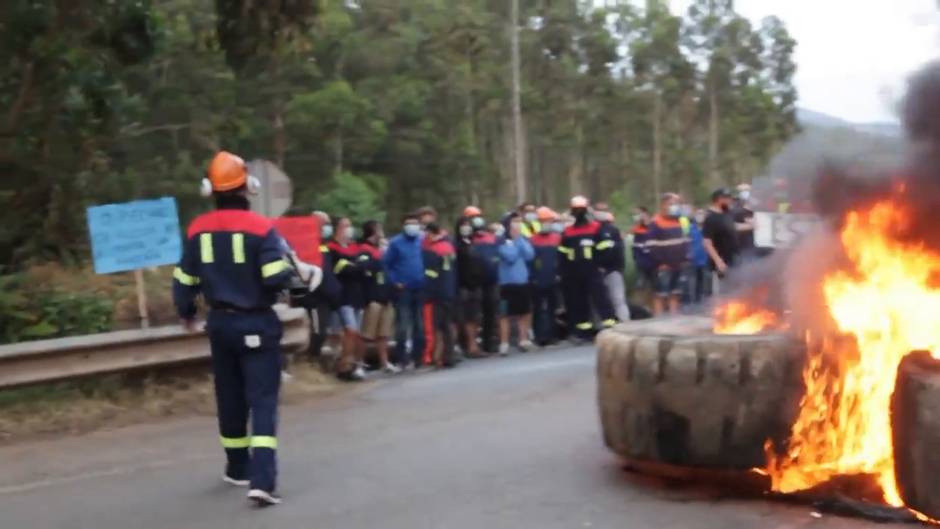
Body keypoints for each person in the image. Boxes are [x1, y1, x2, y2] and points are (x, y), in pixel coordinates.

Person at [173, 151, 293, 506]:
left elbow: (184, 279)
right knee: (263, 401)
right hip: (256, 320)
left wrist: (187, 313)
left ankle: (237, 467)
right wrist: (282, 283)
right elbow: (276, 278)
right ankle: (263, 480)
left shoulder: (197, 229)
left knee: (229, 397)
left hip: (220, 324)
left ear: (211, 189)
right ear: (248, 187)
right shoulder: (261, 228)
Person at [558, 196, 617, 342]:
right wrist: (564, 271)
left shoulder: (596, 228)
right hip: (574, 272)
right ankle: (584, 331)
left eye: (581, 210)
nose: (579, 212)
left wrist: (601, 265)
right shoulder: (567, 232)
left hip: (593, 270)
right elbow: (562, 253)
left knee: (601, 298)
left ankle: (610, 325)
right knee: (579, 301)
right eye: (576, 210)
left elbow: (606, 248)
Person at [358, 220, 401, 374]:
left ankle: (384, 362)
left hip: (387, 296)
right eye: (379, 229)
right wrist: (379, 260)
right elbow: (363, 267)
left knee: (384, 334)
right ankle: (359, 364)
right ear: (372, 231)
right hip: (373, 297)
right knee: (367, 334)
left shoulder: (384, 249)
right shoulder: (364, 249)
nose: (381, 232)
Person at [383, 214, 426, 368]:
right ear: (403, 226)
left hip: (420, 287)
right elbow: (386, 264)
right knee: (402, 325)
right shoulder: (395, 243)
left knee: (419, 325)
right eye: (409, 224)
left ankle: (418, 357)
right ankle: (401, 358)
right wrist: (395, 282)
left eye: (415, 223)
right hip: (403, 289)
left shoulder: (422, 240)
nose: (412, 226)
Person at [327, 217, 366, 381]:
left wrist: (353, 266)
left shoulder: (355, 247)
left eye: (350, 225)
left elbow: (364, 267)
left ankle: (356, 364)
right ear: (338, 229)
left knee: (357, 333)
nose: (349, 229)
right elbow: (339, 269)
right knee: (350, 331)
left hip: (357, 296)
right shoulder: (331, 248)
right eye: (345, 226)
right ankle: (344, 365)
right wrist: (353, 266)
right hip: (342, 297)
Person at [421, 223, 459, 367]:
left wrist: (427, 294)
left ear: (431, 233)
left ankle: (438, 356)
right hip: (449, 290)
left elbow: (430, 274)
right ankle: (449, 356)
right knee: (448, 325)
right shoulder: (448, 247)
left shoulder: (432, 250)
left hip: (437, 293)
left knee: (437, 327)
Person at [497, 215, 535, 354]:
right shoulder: (501, 241)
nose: (517, 225)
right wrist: (517, 242)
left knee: (524, 312)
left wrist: (519, 239)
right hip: (506, 283)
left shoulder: (522, 239)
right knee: (505, 315)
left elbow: (530, 254)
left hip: (522, 281)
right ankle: (504, 343)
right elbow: (510, 257)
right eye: (514, 222)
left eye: (519, 222)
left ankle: (523, 339)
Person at [647, 193, 690, 316]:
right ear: (663, 205)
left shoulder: (679, 221)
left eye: (676, 204)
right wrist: (660, 263)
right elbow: (651, 246)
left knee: (675, 293)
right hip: (663, 266)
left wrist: (685, 258)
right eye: (671, 204)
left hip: (679, 265)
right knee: (660, 295)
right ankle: (658, 320)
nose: (674, 207)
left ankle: (673, 319)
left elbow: (684, 241)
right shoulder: (656, 222)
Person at [308, 211, 342, 361]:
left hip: (325, 297)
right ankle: (310, 361)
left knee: (322, 332)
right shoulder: (307, 244)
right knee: (317, 332)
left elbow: (327, 272)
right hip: (313, 297)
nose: (328, 227)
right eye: (325, 223)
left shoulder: (323, 245)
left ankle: (314, 360)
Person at [455, 209, 487, 357]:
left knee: (475, 317)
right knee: (465, 318)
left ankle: (474, 344)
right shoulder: (456, 245)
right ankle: (469, 346)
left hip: (476, 285)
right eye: (463, 225)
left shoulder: (474, 242)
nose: (466, 227)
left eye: (468, 225)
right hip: (463, 286)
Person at [529, 207, 561, 346]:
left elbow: (561, 258)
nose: (545, 223)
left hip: (553, 278)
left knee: (552, 308)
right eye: (542, 221)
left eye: (547, 221)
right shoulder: (532, 240)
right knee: (538, 309)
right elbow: (530, 262)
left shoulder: (557, 238)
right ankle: (539, 336)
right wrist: (533, 277)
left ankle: (552, 335)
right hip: (538, 279)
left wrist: (559, 274)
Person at [593, 202, 630, 322]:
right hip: (596, 271)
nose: (602, 212)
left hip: (613, 270)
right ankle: (600, 327)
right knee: (598, 300)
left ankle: (625, 324)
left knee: (618, 299)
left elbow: (619, 250)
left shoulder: (613, 230)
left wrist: (619, 268)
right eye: (599, 210)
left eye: (604, 210)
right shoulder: (591, 230)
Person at [702, 188, 739, 296]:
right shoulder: (710, 218)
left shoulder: (727, 213)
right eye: (727, 198)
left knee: (734, 290)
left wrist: (751, 225)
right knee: (723, 291)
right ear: (719, 200)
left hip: (733, 258)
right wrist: (718, 261)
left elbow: (732, 228)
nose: (730, 201)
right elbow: (707, 242)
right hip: (721, 260)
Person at [689, 208, 711, 303]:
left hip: (707, 259)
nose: (700, 216)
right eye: (698, 214)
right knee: (694, 282)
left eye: (702, 214)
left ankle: (708, 302)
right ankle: (695, 302)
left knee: (707, 282)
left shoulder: (709, 229)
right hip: (693, 260)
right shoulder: (690, 228)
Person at [733, 183, 756, 263]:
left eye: (747, 190)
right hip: (743, 249)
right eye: (743, 191)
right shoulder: (736, 210)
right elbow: (733, 226)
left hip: (757, 249)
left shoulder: (757, 210)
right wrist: (751, 226)